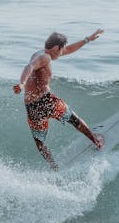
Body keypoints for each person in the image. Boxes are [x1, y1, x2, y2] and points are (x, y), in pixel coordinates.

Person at [13, 29, 105, 171]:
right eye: (60, 50)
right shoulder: (46, 58)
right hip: (46, 101)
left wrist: (87, 39)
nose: (62, 52)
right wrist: (22, 83)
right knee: (75, 120)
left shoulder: (39, 54)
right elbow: (29, 67)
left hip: (31, 106)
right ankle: (96, 141)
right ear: (56, 48)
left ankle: (53, 166)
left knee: (40, 142)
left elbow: (68, 49)